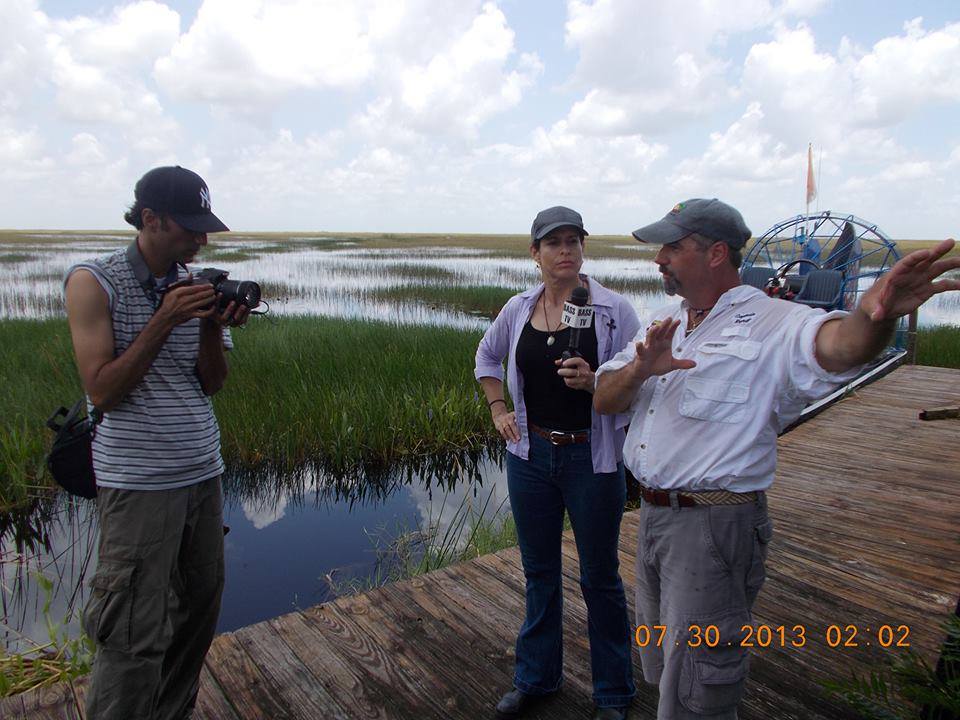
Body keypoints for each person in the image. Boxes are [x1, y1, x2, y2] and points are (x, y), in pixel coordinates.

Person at [593, 198, 960, 720]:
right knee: (663, 664)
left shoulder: (775, 323)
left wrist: (874, 314)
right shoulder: (664, 322)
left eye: (672, 247)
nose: (659, 259)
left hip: (714, 530)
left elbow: (840, 347)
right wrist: (640, 370)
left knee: (702, 683)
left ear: (716, 252)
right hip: (651, 521)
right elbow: (605, 398)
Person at [64, 166, 248, 720]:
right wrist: (163, 320)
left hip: (201, 473)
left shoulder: (194, 286)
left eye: (204, 227)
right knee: (133, 633)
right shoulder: (93, 282)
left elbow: (212, 384)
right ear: (150, 219)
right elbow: (103, 390)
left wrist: (213, 324)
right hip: (139, 485)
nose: (200, 239)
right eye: (189, 227)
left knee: (196, 616)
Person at [475, 206, 641, 720]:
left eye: (573, 240)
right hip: (530, 456)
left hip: (592, 457)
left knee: (600, 578)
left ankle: (613, 693)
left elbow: (638, 383)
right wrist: (500, 409)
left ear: (583, 249)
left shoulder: (614, 310)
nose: (565, 250)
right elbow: (485, 360)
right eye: (553, 243)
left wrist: (597, 382)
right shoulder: (517, 309)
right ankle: (536, 679)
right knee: (539, 572)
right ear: (535, 254)